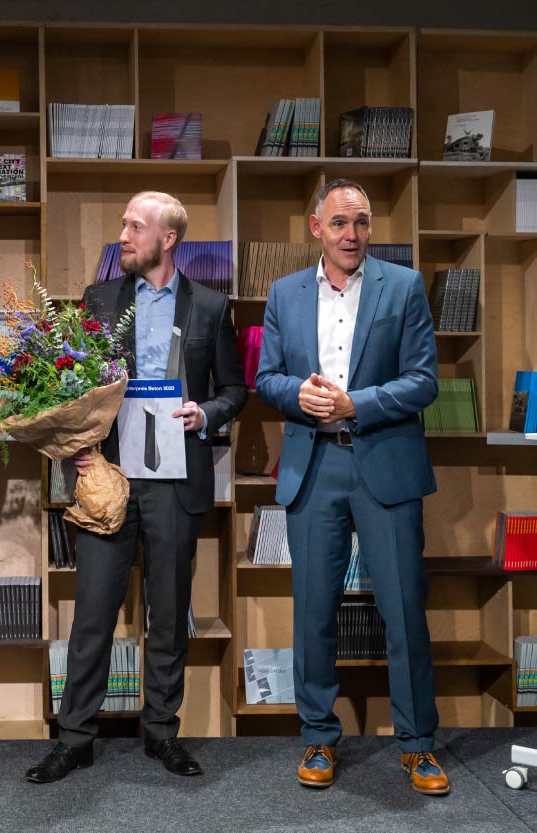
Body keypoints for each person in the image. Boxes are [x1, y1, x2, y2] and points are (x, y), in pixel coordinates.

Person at [26, 191, 246, 783]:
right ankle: (74, 738)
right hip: (108, 477)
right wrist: (75, 443)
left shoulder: (209, 306)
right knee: (93, 612)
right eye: (123, 223)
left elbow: (235, 388)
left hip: (176, 480)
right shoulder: (99, 300)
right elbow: (70, 382)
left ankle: (162, 735)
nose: (122, 234)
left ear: (167, 239)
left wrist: (209, 414)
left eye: (134, 226)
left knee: (170, 614)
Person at [254, 179, 449, 795]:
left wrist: (353, 402)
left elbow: (423, 382)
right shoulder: (284, 294)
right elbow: (267, 379)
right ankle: (317, 737)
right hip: (315, 466)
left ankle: (417, 746)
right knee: (314, 614)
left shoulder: (405, 286)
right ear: (316, 226)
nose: (352, 235)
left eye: (362, 222)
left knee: (403, 614)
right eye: (340, 222)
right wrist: (301, 395)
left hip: (384, 465)